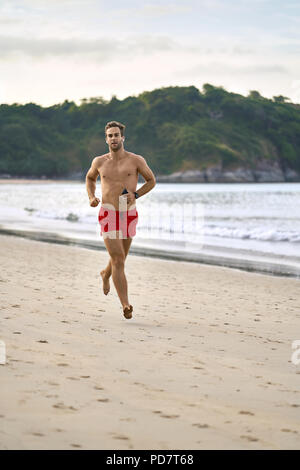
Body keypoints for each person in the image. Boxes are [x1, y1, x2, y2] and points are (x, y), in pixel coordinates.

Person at [86, 121, 156, 319]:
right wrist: (91, 197)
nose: (113, 138)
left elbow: (151, 181)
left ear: (122, 137)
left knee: (121, 257)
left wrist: (137, 194)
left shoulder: (136, 160)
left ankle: (105, 274)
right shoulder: (99, 162)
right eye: (110, 135)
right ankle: (125, 304)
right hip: (107, 211)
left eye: (116, 135)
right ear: (106, 139)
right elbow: (90, 178)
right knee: (117, 259)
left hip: (128, 210)